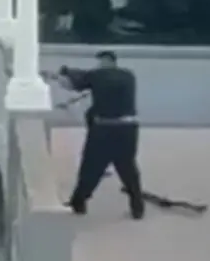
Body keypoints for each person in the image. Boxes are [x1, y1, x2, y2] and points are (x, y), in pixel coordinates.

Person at [55, 50, 144, 219]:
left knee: (91, 166)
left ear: (104, 61)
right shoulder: (129, 76)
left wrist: (64, 73)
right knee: (128, 168)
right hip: (128, 128)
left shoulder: (97, 75)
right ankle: (137, 207)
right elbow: (88, 76)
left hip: (104, 128)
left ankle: (78, 202)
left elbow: (77, 82)